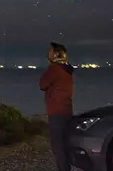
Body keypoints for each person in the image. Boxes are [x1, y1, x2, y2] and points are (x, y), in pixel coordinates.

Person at [39, 42, 74, 171]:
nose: (48, 53)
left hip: (56, 111)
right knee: (64, 145)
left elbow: (42, 84)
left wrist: (50, 67)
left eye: (50, 51)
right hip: (66, 110)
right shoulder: (67, 69)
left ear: (56, 54)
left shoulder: (54, 68)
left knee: (58, 146)